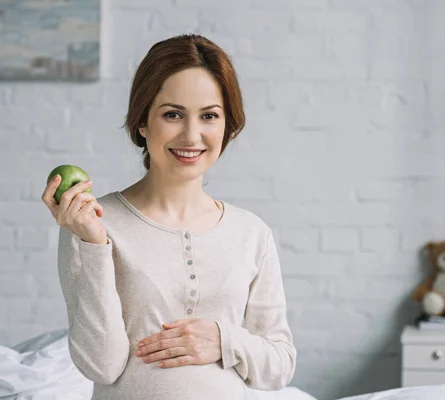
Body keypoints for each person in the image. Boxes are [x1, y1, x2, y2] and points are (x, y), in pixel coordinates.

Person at [41, 34, 296, 400]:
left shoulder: (251, 232)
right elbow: (101, 366)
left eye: (209, 116)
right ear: (142, 122)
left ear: (227, 126)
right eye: (172, 114)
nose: (192, 135)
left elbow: (279, 365)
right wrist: (93, 244)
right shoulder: (93, 222)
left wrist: (224, 340)